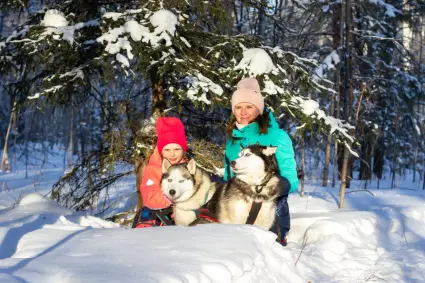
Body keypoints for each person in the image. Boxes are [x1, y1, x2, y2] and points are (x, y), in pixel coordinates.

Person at [223, 77, 298, 246]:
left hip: (270, 215)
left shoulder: (277, 136)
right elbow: (228, 177)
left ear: (259, 109)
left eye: (249, 107)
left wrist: (271, 188)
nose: (243, 112)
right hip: (238, 213)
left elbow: (291, 178)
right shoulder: (232, 140)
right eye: (238, 107)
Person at [134, 117, 187, 227]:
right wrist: (169, 197)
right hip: (159, 218)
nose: (172, 154)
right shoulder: (153, 169)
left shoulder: (187, 168)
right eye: (167, 150)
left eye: (177, 149)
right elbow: (150, 195)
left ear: (183, 149)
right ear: (160, 150)